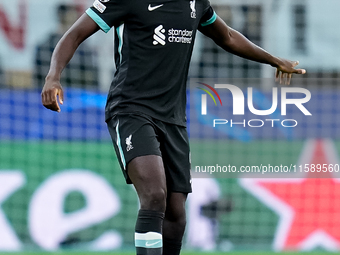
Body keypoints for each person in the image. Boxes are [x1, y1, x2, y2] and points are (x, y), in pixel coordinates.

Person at [41, 0, 306, 254]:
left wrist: (273, 59)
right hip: (131, 109)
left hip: (173, 118)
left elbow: (227, 36)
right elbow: (74, 34)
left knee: (176, 213)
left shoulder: (195, 3)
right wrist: (54, 76)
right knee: (155, 194)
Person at [35, 4, 98, 89]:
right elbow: (40, 75)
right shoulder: (46, 46)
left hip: (78, 93)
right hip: (56, 92)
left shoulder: (84, 48)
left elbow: (91, 76)